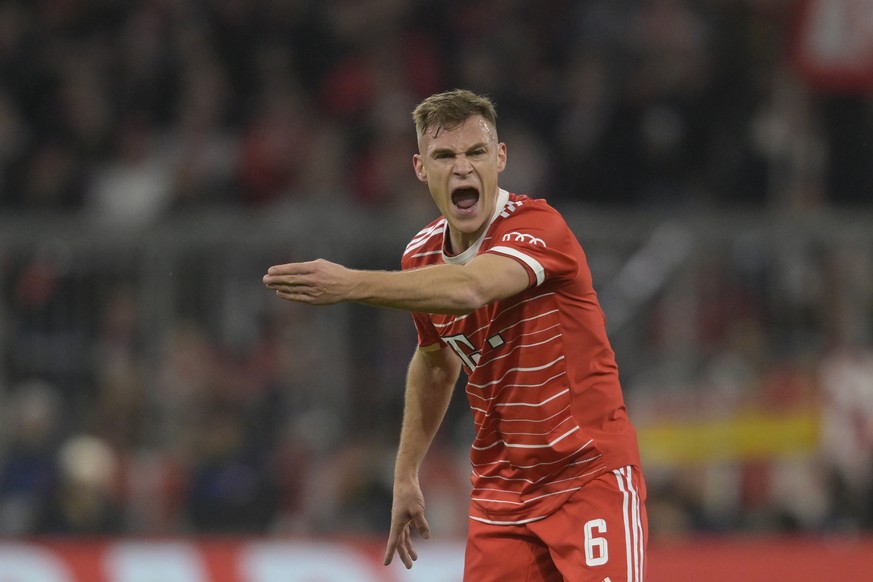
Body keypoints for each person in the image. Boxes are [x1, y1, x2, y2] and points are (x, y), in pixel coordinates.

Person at [263, 89, 647, 581]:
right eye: (445, 156)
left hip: (586, 477)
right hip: (501, 495)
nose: (462, 168)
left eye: (476, 153)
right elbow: (435, 361)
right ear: (421, 168)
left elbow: (472, 288)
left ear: (500, 158)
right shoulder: (420, 256)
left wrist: (350, 283)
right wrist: (406, 473)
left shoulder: (539, 227)